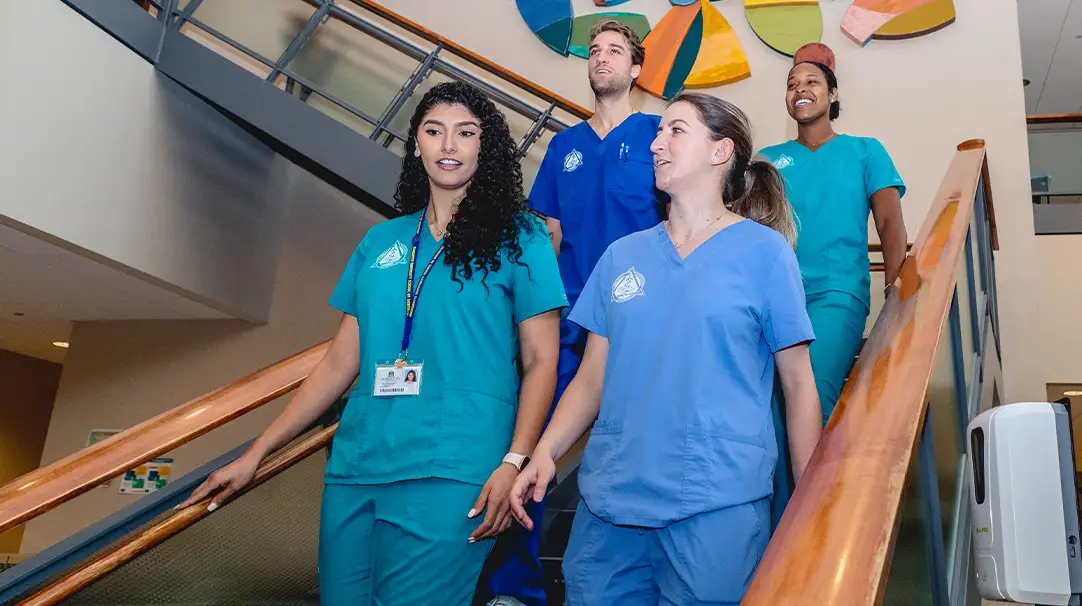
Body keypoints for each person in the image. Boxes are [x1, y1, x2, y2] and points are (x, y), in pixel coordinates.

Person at [176, 81, 567, 605]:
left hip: (454, 466)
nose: (448, 145)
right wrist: (258, 452)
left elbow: (543, 360)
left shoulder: (523, 236)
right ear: (416, 145)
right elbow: (340, 361)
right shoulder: (380, 241)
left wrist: (515, 462)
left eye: (465, 133)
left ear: (485, 146)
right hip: (358, 467)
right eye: (433, 131)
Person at [509, 93, 822, 605]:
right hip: (610, 504)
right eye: (659, 133)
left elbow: (799, 386)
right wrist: (545, 451)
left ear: (721, 152)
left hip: (715, 505)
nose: (656, 143)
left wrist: (813, 496)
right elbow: (591, 379)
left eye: (675, 130)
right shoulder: (621, 256)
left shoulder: (765, 254)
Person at [483, 20, 665, 606]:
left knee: (642, 455)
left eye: (615, 50)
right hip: (570, 322)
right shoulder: (564, 146)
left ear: (637, 69)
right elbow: (547, 233)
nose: (602, 57)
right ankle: (517, 589)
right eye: (595, 51)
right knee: (531, 447)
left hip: (643, 324)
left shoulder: (662, 135)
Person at [759, 43, 908, 531]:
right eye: (792, 84)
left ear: (833, 93)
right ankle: (781, 531)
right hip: (774, 299)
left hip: (836, 295)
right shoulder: (767, 159)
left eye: (812, 82)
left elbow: (888, 223)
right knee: (773, 412)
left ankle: (801, 537)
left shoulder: (865, 151)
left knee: (812, 399)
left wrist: (898, 286)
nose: (801, 89)